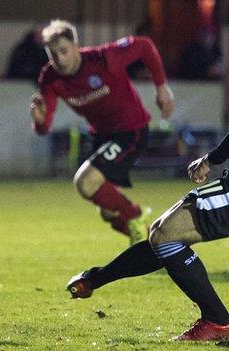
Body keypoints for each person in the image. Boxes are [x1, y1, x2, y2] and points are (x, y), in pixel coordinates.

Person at [67, 5, 229, 341]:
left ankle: (218, 321)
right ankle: (96, 279)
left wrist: (212, 159)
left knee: (164, 233)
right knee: (164, 233)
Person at [30, 20, 175, 245]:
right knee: (108, 211)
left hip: (131, 130)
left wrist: (161, 86)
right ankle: (149, 244)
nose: (59, 59)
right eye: (53, 53)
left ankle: (136, 213)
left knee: (85, 183)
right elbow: (44, 127)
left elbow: (144, 46)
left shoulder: (103, 58)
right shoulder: (50, 77)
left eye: (64, 51)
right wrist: (39, 122)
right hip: (102, 137)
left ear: (76, 46)